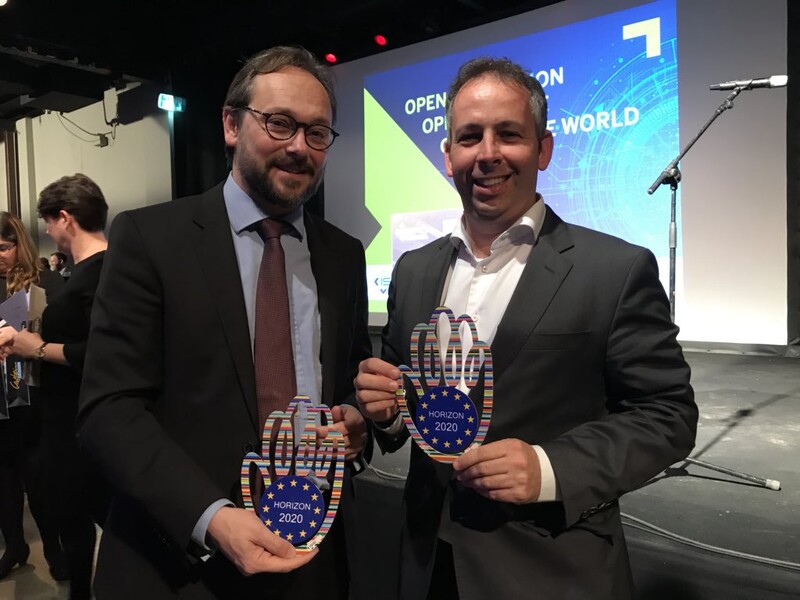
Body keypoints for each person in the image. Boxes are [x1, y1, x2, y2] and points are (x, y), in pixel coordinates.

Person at [354, 57, 698, 600]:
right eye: (469, 137)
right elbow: (404, 408)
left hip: (550, 570)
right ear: (448, 156)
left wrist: (548, 467)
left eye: (508, 134)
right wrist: (390, 412)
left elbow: (668, 416)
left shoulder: (614, 268)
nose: (487, 154)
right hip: (426, 564)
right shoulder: (414, 270)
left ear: (543, 149)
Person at [77, 46, 371, 599]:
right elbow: (108, 411)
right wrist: (211, 517)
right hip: (179, 564)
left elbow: (349, 377)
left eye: (317, 133)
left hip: (313, 560)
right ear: (231, 124)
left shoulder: (343, 255)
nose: (298, 147)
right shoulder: (150, 239)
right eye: (280, 124)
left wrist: (357, 419)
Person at [11, 174, 111, 599]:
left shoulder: (101, 274)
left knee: (82, 507)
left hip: (80, 418)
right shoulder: (86, 273)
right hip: (69, 415)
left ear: (65, 218)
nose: (47, 232)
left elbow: (101, 352)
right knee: (75, 511)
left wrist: (37, 348)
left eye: (49, 222)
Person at [0, 212, 67, 582]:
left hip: (33, 396)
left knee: (38, 479)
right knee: (4, 479)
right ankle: (14, 545)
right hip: (0, 400)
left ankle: (54, 548)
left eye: (4, 247)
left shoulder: (44, 284)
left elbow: (62, 338)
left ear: (19, 245)